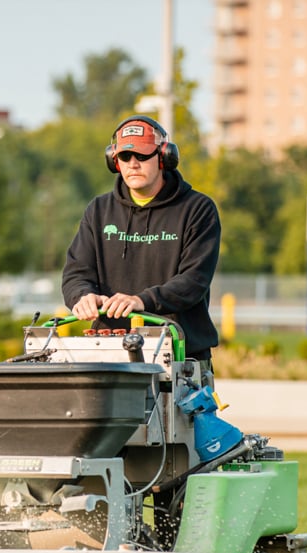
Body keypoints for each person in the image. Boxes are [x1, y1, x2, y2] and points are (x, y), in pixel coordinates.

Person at [62, 115, 222, 366]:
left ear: (164, 157)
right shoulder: (98, 210)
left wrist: (140, 301)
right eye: (125, 157)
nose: (133, 164)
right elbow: (76, 272)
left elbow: (194, 280)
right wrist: (81, 296)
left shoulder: (197, 208)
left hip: (182, 356)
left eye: (142, 155)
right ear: (114, 161)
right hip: (110, 356)